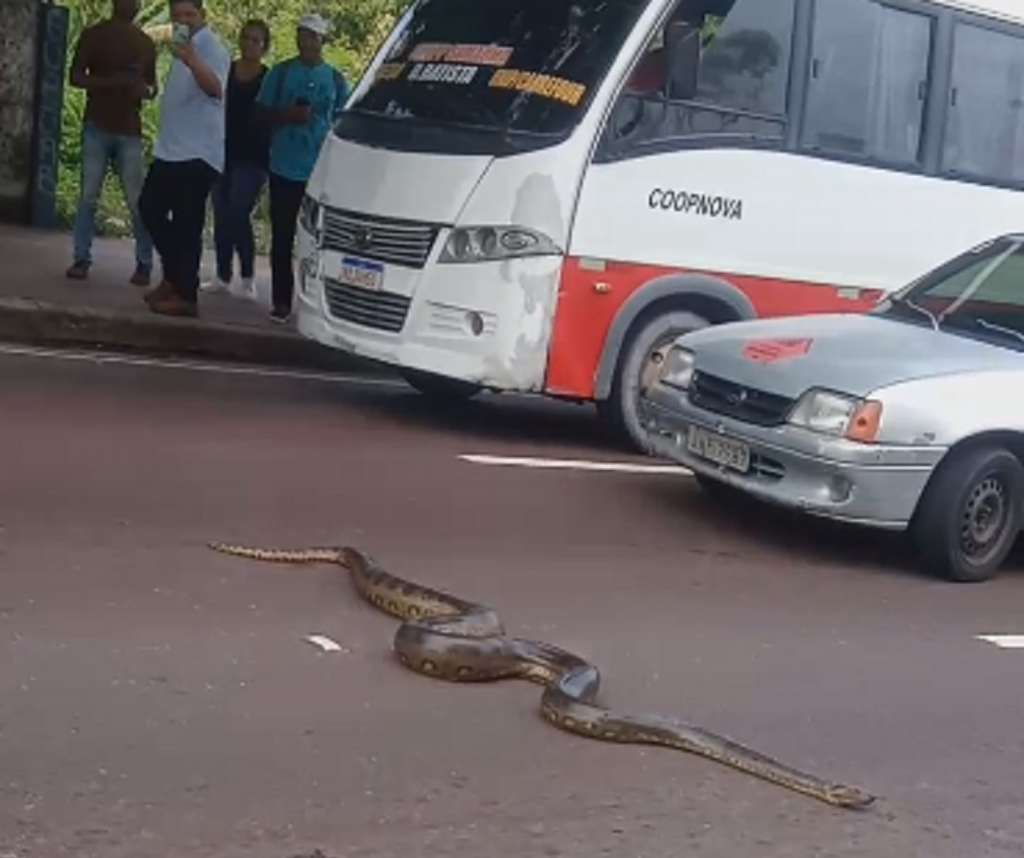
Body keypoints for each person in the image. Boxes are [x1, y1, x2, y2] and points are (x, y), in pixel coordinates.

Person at [138, 0, 230, 318]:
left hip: (197, 153)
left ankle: (186, 294)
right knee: (149, 208)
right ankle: (175, 277)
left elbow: (216, 89)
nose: (183, 20)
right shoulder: (180, 48)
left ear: (201, 15)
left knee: (187, 225)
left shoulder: (210, 48)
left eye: (189, 14)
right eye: (177, 15)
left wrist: (192, 60)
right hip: (171, 150)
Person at [256, 12, 350, 324]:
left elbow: (342, 125)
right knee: (282, 236)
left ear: (321, 40)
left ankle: (320, 302)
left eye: (311, 35)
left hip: (318, 171)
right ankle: (282, 301)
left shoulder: (336, 80)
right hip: (283, 166)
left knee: (319, 240)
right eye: (301, 34)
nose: (304, 41)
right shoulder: (281, 73)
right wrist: (287, 115)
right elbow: (259, 114)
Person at [65, 0, 158, 287]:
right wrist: (112, 83)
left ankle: (144, 263)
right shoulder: (95, 35)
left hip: (128, 127)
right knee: (88, 197)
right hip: (98, 125)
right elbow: (75, 77)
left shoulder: (145, 43)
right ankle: (81, 258)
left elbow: (153, 88)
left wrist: (140, 89)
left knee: (135, 201)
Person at [203, 19, 272, 300]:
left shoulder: (268, 78)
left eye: (256, 40)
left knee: (238, 213)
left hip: (253, 157)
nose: (249, 44)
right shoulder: (227, 71)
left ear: (264, 46)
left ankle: (247, 276)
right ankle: (222, 274)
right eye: (246, 38)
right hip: (222, 152)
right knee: (221, 212)